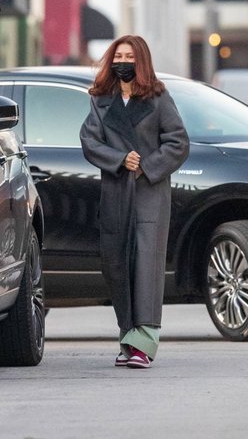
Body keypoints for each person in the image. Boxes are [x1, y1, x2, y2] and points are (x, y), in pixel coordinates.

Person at [80, 35, 189, 369]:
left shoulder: (158, 97)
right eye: (118, 56)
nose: (123, 62)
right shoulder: (100, 100)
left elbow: (178, 142)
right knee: (117, 264)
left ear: (141, 61)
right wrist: (119, 159)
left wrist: (146, 166)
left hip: (149, 195)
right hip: (115, 193)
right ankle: (128, 339)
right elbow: (89, 141)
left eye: (129, 57)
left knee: (146, 266)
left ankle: (144, 343)